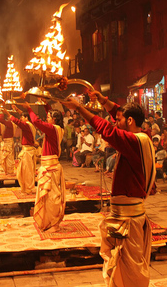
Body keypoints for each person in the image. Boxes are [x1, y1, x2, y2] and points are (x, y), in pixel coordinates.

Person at [62, 91, 156, 287]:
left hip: (129, 220)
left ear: (130, 121)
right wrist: (104, 101)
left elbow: (108, 130)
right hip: (123, 216)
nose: (115, 121)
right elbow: (117, 117)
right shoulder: (140, 137)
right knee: (118, 266)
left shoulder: (134, 141)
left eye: (119, 120)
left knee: (129, 270)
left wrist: (79, 108)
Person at [23, 101, 65, 233]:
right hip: (48, 165)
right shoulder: (55, 128)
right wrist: (44, 102)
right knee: (46, 197)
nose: (47, 118)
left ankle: (55, 224)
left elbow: (36, 121)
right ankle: (49, 221)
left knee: (52, 197)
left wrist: (29, 108)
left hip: (51, 167)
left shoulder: (53, 129)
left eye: (49, 117)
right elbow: (48, 113)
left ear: (55, 119)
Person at [3, 106, 37, 194]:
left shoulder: (27, 125)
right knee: (23, 171)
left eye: (22, 117)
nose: (21, 118)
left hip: (28, 152)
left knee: (27, 171)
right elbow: (21, 119)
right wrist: (17, 109)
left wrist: (7, 113)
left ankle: (29, 188)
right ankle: (26, 187)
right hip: (27, 151)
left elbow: (17, 122)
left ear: (26, 118)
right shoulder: (29, 125)